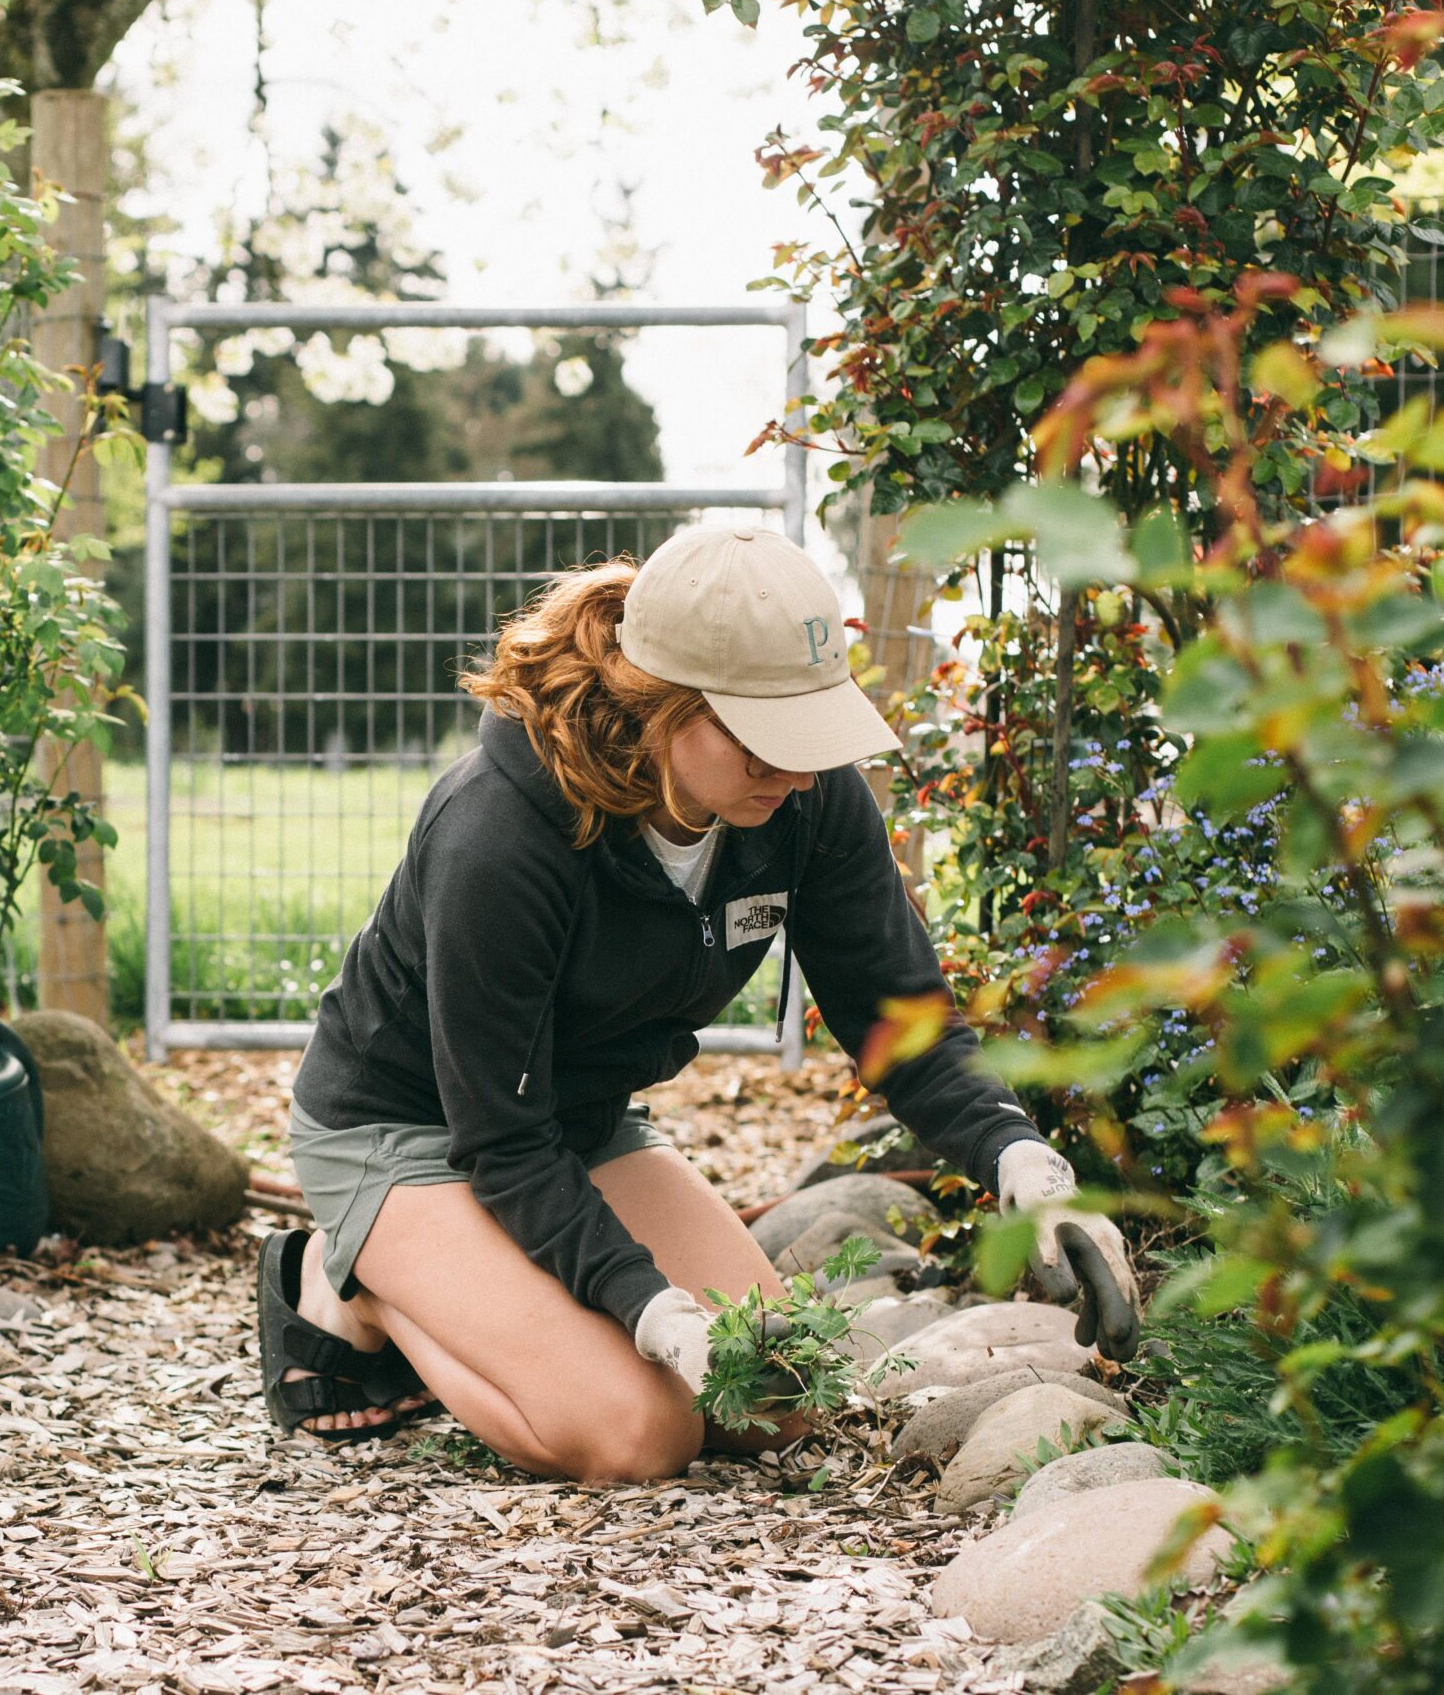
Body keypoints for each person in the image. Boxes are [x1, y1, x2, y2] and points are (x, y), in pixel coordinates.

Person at [256, 524, 1140, 1481]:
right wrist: (645, 1303)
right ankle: (368, 1289)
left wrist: (1022, 1162)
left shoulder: (802, 799)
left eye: (810, 738)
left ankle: (484, 1303)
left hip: (574, 1126)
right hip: (407, 1129)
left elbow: (900, 1019)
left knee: (781, 1396)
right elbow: (498, 1139)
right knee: (639, 1437)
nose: (798, 775)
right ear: (659, 705)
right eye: (765, 744)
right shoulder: (501, 837)